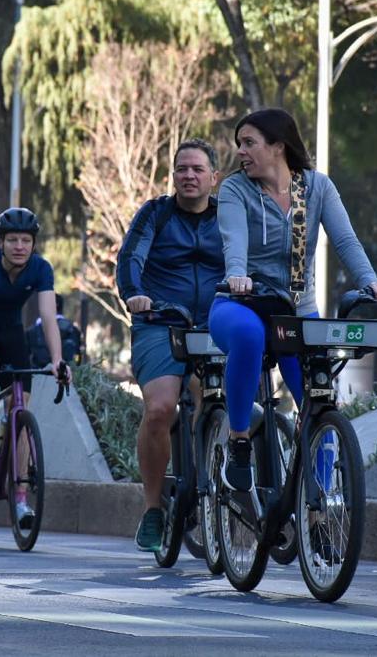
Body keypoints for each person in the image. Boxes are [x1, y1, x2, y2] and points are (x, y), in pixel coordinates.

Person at [210, 107, 377, 494]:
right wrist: (237, 275)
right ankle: (239, 440)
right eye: (239, 144)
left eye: (249, 143)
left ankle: (320, 508)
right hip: (240, 302)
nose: (240, 152)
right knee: (247, 337)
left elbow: (345, 240)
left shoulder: (318, 188)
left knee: (319, 399)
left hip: (296, 309)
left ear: (278, 146)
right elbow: (233, 239)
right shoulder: (234, 189)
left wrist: (370, 282)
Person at [116, 138, 226, 552]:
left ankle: (212, 482)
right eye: (182, 169)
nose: (189, 176)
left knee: (222, 403)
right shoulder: (156, 213)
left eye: (198, 169)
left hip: (215, 324)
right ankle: (153, 508)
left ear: (214, 177)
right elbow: (131, 258)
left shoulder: (228, 217)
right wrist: (135, 293)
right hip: (160, 321)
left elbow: (248, 261)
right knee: (160, 408)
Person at [0, 208, 72, 526]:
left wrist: (58, 359)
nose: (19, 246)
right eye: (12, 240)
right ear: (1, 242)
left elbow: (49, 317)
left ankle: (20, 500)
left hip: (11, 331)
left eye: (25, 240)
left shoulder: (40, 269)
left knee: (21, 411)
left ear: (33, 244)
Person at [27, 293, 82, 367]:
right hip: (66, 375)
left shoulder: (32, 331)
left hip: (38, 375)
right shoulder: (74, 330)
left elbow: (25, 358)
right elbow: (77, 356)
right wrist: (75, 367)